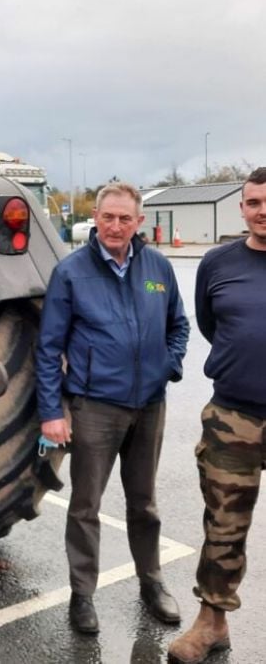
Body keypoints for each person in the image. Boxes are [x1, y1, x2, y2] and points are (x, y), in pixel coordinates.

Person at [36, 181, 190, 635]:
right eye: (108, 217)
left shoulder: (158, 266)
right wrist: (51, 411)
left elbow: (178, 324)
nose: (116, 226)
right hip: (95, 408)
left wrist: (168, 367)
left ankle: (152, 581)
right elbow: (48, 349)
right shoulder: (72, 272)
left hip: (149, 407)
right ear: (95, 219)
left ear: (139, 222)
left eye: (125, 218)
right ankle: (82, 595)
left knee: (144, 504)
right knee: (85, 505)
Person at [167, 167, 266, 664]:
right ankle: (212, 624)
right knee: (223, 526)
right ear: (242, 207)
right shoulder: (217, 263)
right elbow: (211, 325)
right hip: (234, 416)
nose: (262, 210)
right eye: (253, 203)